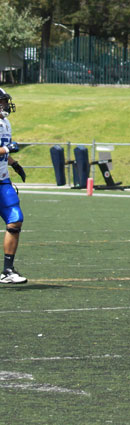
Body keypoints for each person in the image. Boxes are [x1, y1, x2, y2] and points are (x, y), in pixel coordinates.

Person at [0, 88, 27, 284]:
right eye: (2, 101)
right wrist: (6, 148)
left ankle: (7, 271)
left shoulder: (5, 123)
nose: (5, 105)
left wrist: (14, 163)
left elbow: (3, 151)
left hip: (2, 180)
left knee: (15, 219)